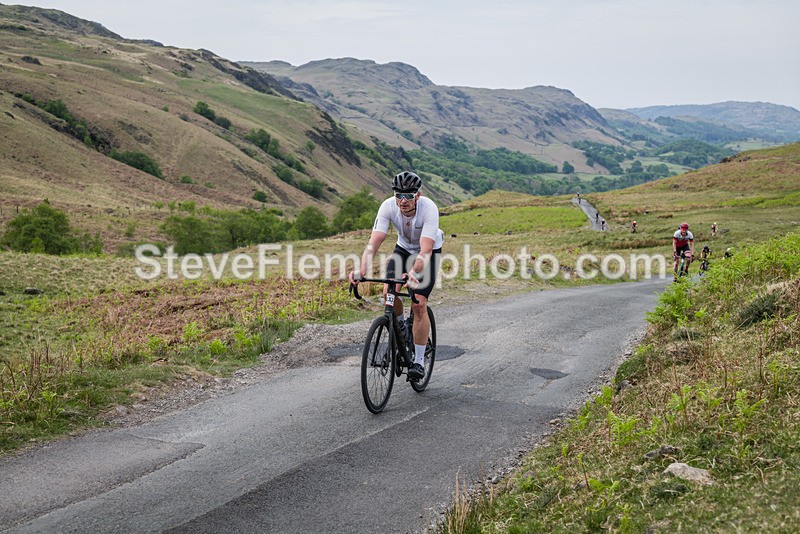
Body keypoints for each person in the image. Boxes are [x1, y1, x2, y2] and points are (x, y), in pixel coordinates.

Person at [349, 171, 444, 381]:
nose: (403, 201)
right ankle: (400, 326)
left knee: (418, 302)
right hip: (403, 248)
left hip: (427, 253)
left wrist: (414, 272)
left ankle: (418, 361)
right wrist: (361, 269)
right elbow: (374, 243)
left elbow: (425, 250)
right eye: (398, 195)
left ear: (417, 196)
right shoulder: (387, 206)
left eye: (408, 196)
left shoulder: (429, 209)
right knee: (388, 291)